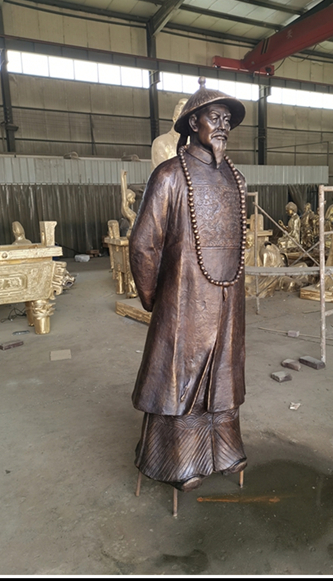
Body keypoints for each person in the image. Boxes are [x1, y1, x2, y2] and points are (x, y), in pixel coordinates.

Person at [129, 78, 248, 492]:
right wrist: (155, 299)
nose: (223, 125)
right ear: (193, 122)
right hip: (184, 301)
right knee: (180, 382)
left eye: (227, 119)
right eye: (215, 117)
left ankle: (225, 450)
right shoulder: (169, 176)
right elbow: (144, 245)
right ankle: (179, 461)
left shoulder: (235, 178)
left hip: (227, 298)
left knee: (223, 378)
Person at [150, 98, 189, 170]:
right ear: (175, 119)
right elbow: (161, 172)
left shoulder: (196, 144)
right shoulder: (161, 142)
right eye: (183, 119)